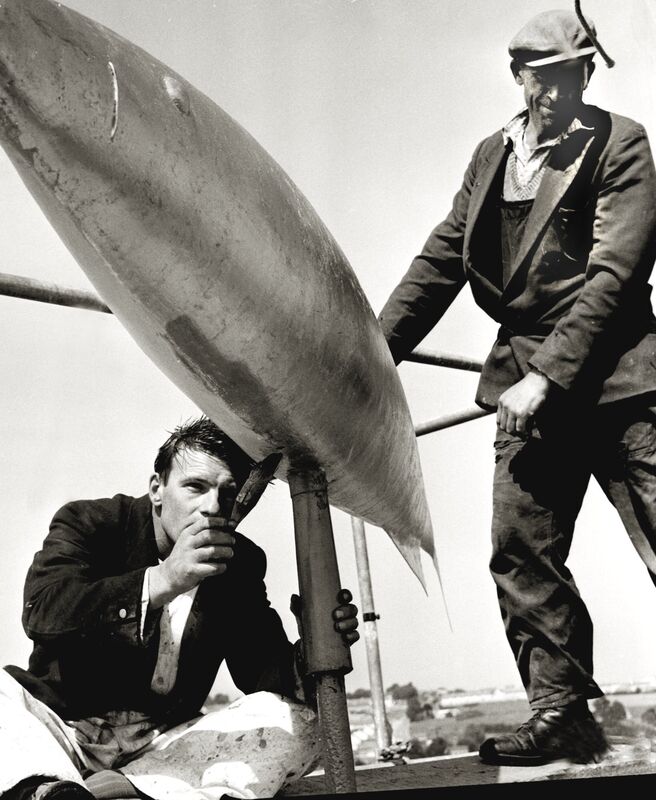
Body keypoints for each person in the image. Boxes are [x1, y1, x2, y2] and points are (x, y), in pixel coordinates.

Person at [378, 8, 656, 767]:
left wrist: (546, 376)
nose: (564, 90)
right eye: (549, 77)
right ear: (520, 77)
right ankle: (563, 713)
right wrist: (371, 356)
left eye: (579, 74)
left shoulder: (621, 141)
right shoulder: (490, 156)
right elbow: (440, 261)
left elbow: (613, 276)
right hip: (530, 382)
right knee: (518, 548)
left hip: (620, 379)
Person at [0, 417, 359, 799]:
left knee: (302, 724)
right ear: (157, 488)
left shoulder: (240, 563)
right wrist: (162, 580)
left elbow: (261, 675)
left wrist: (313, 649)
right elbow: (43, 611)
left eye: (227, 492)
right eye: (195, 487)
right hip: (63, 732)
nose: (211, 507)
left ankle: (129, 789)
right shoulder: (91, 523)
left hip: (159, 751)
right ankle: (47, 790)